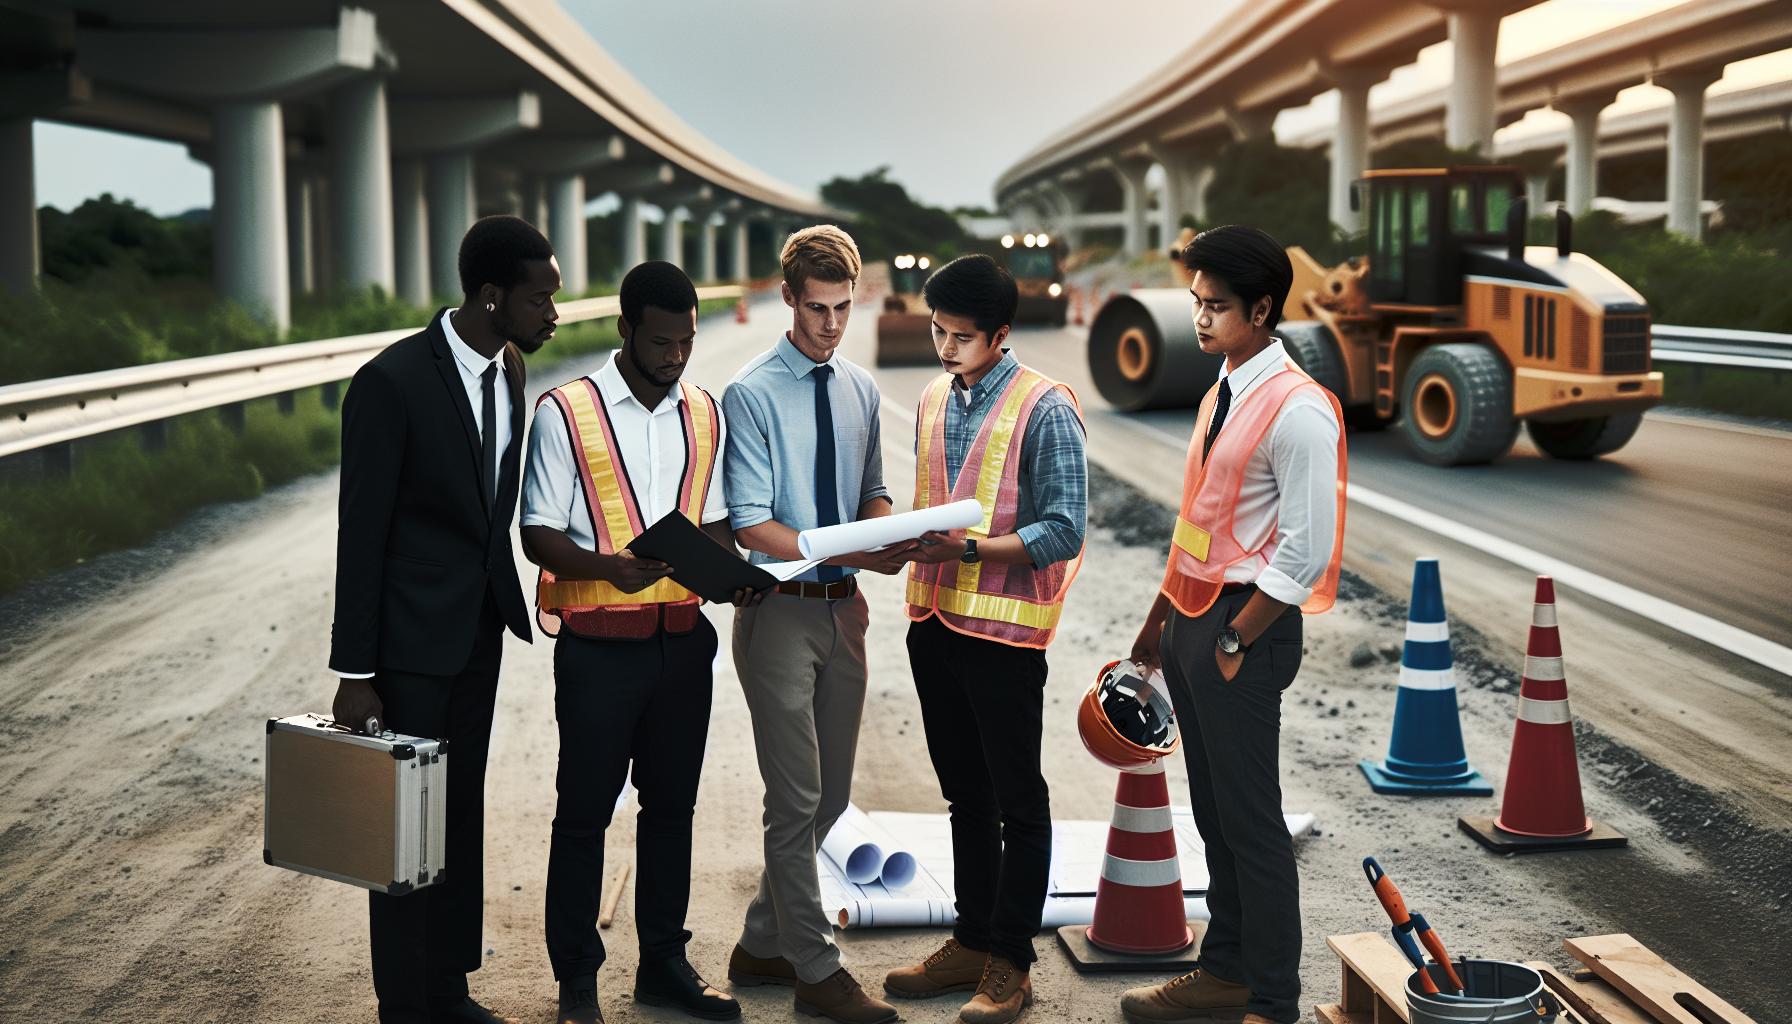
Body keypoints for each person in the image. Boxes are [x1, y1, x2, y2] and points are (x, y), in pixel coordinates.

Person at [328, 215, 559, 1024]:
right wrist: (355, 673)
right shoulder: (392, 382)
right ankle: (405, 1003)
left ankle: (449, 987)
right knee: (404, 831)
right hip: (405, 650)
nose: (552, 315)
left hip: (476, 635)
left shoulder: (512, 374)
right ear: (492, 296)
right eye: (540, 299)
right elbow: (361, 533)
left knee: (460, 815)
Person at [1118, 226, 1346, 1024]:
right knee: (1215, 815)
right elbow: (1198, 522)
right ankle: (1224, 973)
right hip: (1192, 620)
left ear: (1262, 309)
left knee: (1252, 822)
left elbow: (1307, 550)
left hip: (1241, 632)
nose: (1202, 318)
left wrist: (1234, 636)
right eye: (1197, 303)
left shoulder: (1299, 410)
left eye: (1217, 306)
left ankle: (1273, 1001)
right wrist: (1159, 618)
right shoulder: (1224, 389)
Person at [521, 261, 756, 1024]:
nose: (677, 355)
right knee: (584, 814)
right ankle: (576, 984)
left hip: (683, 645)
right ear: (625, 330)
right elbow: (537, 533)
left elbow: (713, 517)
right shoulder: (566, 410)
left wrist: (738, 574)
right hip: (596, 649)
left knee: (672, 811)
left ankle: (663, 965)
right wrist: (607, 569)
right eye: (661, 341)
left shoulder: (705, 411)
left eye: (686, 341)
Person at [885, 255, 1087, 1024]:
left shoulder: (1045, 408)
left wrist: (966, 550)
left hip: (1004, 635)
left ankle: (1011, 963)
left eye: (961, 337)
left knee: (1017, 801)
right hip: (933, 622)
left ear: (1000, 334)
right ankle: (970, 941)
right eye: (937, 331)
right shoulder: (936, 395)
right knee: (964, 796)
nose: (943, 348)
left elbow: (1064, 529)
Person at [720, 225, 912, 1024]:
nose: (830, 325)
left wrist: (886, 537)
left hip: (847, 613)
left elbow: (871, 492)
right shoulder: (752, 392)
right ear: (788, 298)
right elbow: (749, 524)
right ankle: (815, 971)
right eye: (816, 309)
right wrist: (838, 548)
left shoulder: (861, 389)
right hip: (779, 617)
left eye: (841, 308)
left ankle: (762, 943)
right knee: (794, 801)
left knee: (830, 799)